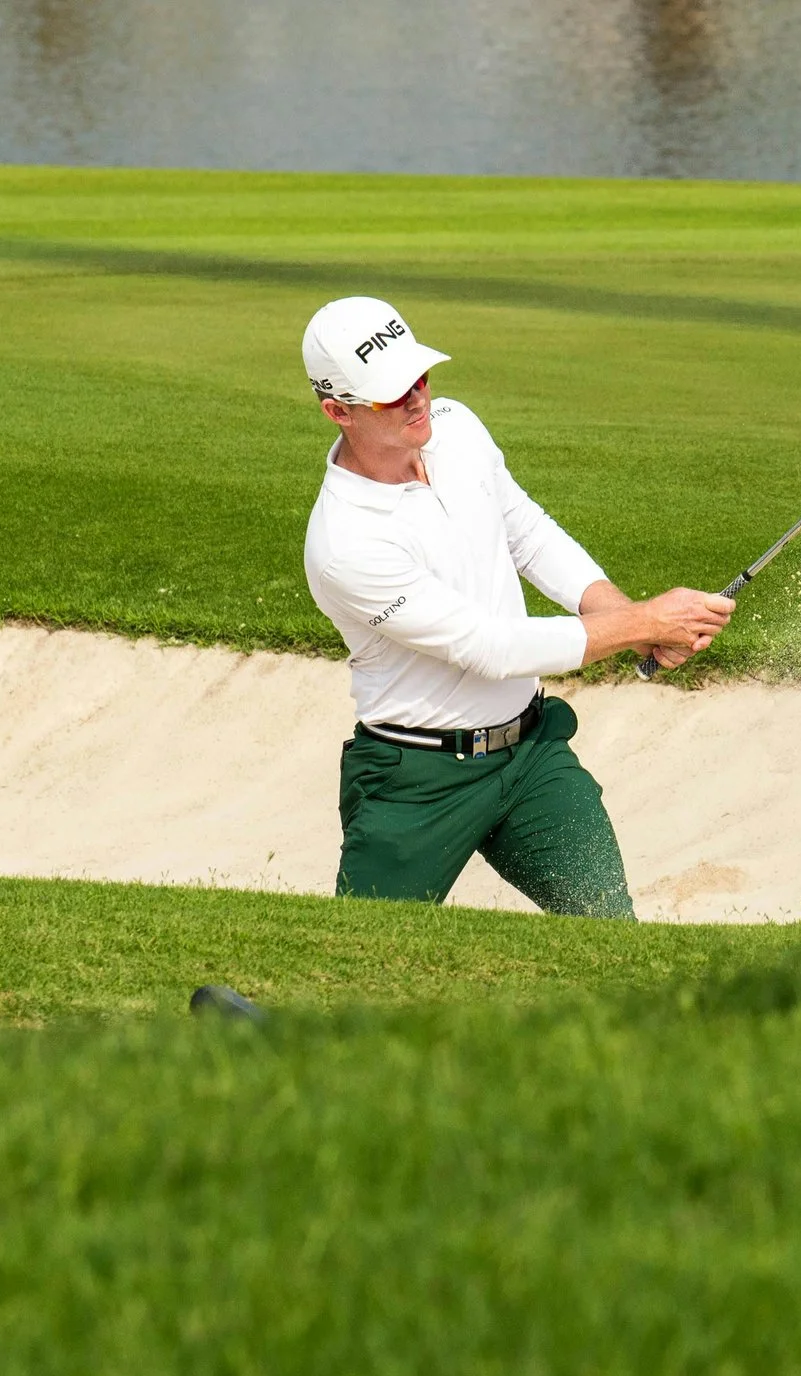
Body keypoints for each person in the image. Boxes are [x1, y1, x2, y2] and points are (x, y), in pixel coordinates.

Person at [300, 296, 731, 916]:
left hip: (530, 758)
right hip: (415, 782)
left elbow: (525, 531)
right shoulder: (345, 543)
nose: (418, 396)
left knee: (608, 930)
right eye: (393, 392)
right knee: (358, 959)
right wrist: (646, 622)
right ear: (338, 410)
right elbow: (489, 647)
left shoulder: (457, 428)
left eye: (420, 376)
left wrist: (619, 611)